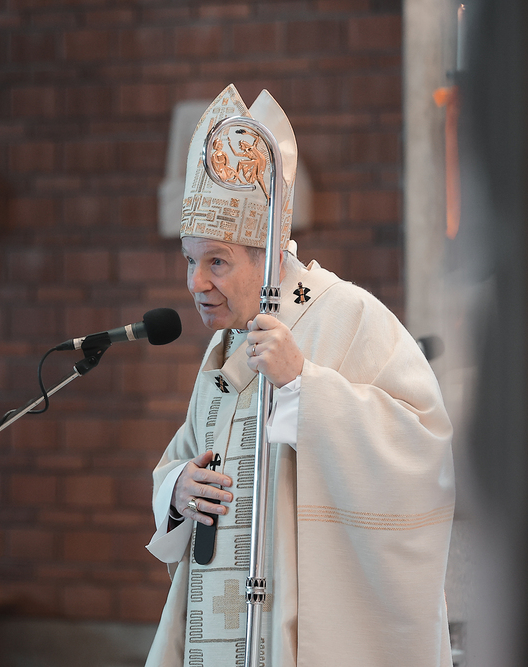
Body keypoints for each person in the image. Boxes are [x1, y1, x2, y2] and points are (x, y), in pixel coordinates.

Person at [145, 84, 455, 667]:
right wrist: (178, 489)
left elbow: (424, 456)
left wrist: (304, 389)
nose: (194, 283)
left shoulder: (348, 316)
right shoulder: (226, 343)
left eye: (216, 262)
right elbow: (181, 458)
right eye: (189, 260)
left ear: (266, 256)